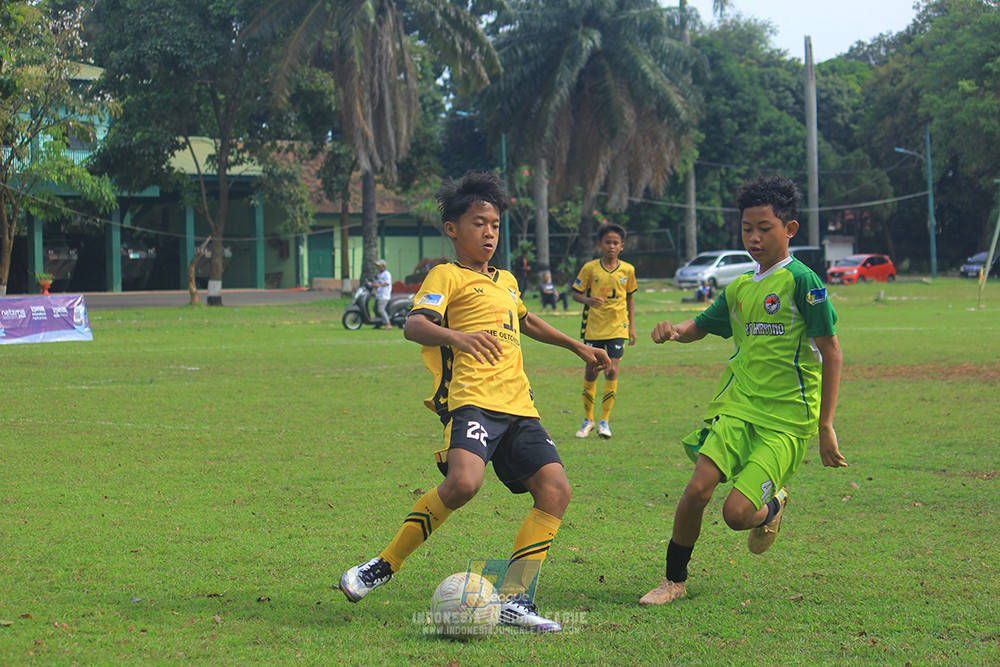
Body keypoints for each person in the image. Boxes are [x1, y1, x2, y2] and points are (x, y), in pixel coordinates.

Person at [338, 171, 611, 633]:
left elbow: (528, 322)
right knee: (464, 483)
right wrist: (458, 337)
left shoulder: (506, 281)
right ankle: (382, 565)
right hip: (472, 401)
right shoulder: (447, 275)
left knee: (556, 491)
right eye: (479, 223)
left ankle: (514, 599)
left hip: (520, 406)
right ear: (453, 230)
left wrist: (578, 346)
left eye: (495, 225)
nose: (489, 232)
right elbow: (415, 325)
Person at [639, 174, 846, 606]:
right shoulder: (739, 287)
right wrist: (673, 330)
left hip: (787, 421)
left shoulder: (803, 282)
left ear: (789, 229)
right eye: (746, 228)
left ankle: (773, 505)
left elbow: (832, 352)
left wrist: (826, 426)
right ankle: (673, 581)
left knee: (736, 516)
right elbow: (699, 326)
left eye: (764, 228)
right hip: (737, 408)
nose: (753, 237)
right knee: (697, 489)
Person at [571, 223, 637, 440]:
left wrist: (633, 328)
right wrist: (588, 299)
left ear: (622, 246)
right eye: (607, 242)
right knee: (592, 369)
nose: (611, 246)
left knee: (612, 369)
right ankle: (588, 419)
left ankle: (604, 421)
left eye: (615, 243)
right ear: (600, 244)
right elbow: (575, 294)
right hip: (594, 327)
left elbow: (630, 298)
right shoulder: (590, 268)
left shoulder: (628, 270)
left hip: (618, 326)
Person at [372, 259, 392, 328]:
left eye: (379, 266)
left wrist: (377, 285)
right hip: (379, 295)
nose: (377, 267)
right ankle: (378, 323)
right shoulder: (380, 274)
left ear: (383, 266)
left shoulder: (387, 274)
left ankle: (388, 323)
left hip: (384, 295)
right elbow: (378, 282)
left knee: (381, 310)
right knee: (375, 309)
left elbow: (387, 283)